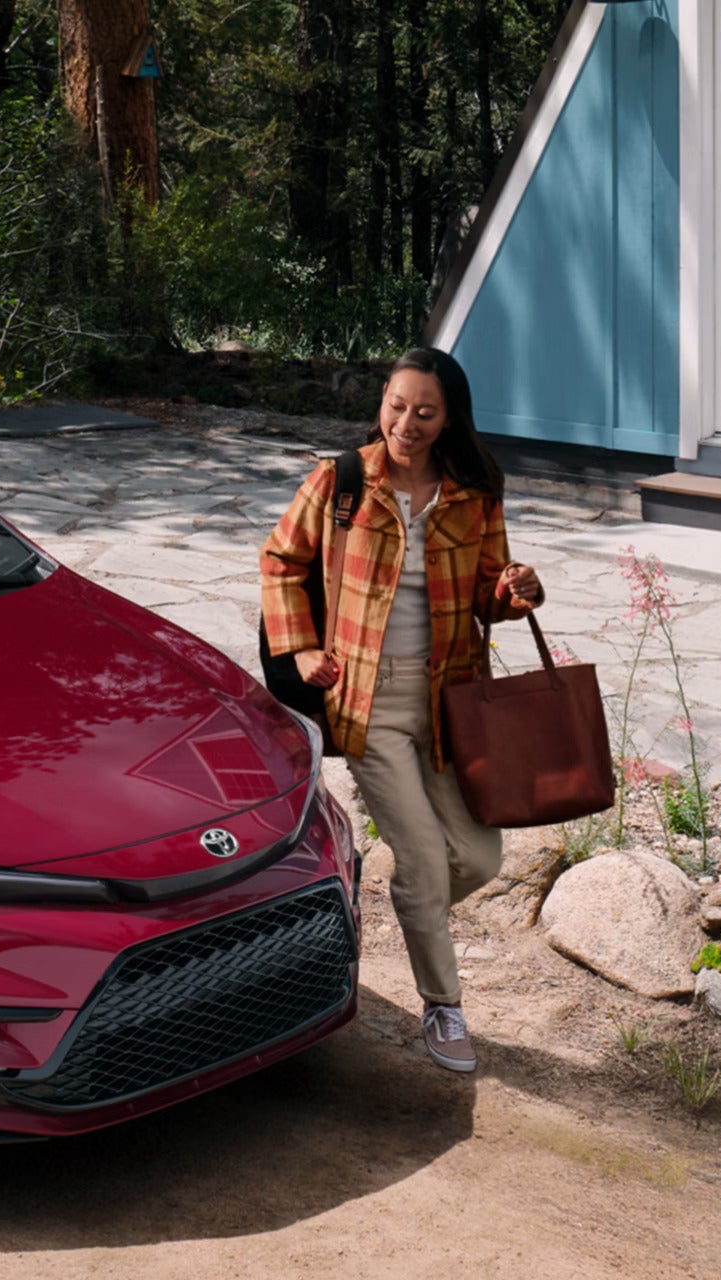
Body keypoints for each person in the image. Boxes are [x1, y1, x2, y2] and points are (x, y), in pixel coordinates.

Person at [256, 347, 545, 1074]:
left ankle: (402, 902)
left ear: (449, 420)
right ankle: (443, 1007)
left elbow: (489, 594)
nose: (405, 423)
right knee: (421, 858)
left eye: (424, 412)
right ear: (381, 400)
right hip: (369, 701)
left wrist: (516, 592)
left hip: (451, 700)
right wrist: (300, 649)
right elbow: (281, 562)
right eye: (396, 405)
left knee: (478, 858)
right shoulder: (342, 480)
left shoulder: (475, 493)